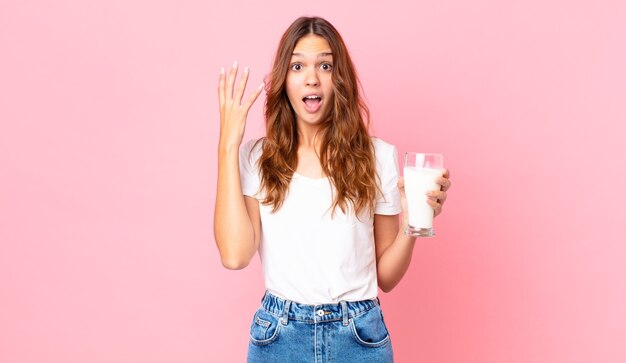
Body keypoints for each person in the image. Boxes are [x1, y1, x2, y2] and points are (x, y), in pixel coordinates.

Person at [214, 16, 451, 362]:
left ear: (339, 78)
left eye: (325, 65)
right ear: (284, 80)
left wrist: (413, 223)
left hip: (358, 337)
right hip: (279, 338)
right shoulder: (257, 157)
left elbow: (385, 277)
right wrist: (227, 144)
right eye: (297, 66)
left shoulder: (378, 156)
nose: (312, 78)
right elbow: (235, 255)